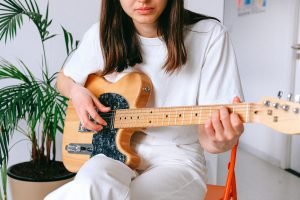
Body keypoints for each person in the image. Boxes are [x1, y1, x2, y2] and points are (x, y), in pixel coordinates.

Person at [45, 0, 244, 199]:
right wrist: (76, 92)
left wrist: (220, 141)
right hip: (111, 154)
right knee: (89, 183)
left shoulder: (209, 35)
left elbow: (210, 140)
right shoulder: (101, 35)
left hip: (178, 161)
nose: (142, 0)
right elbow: (64, 79)